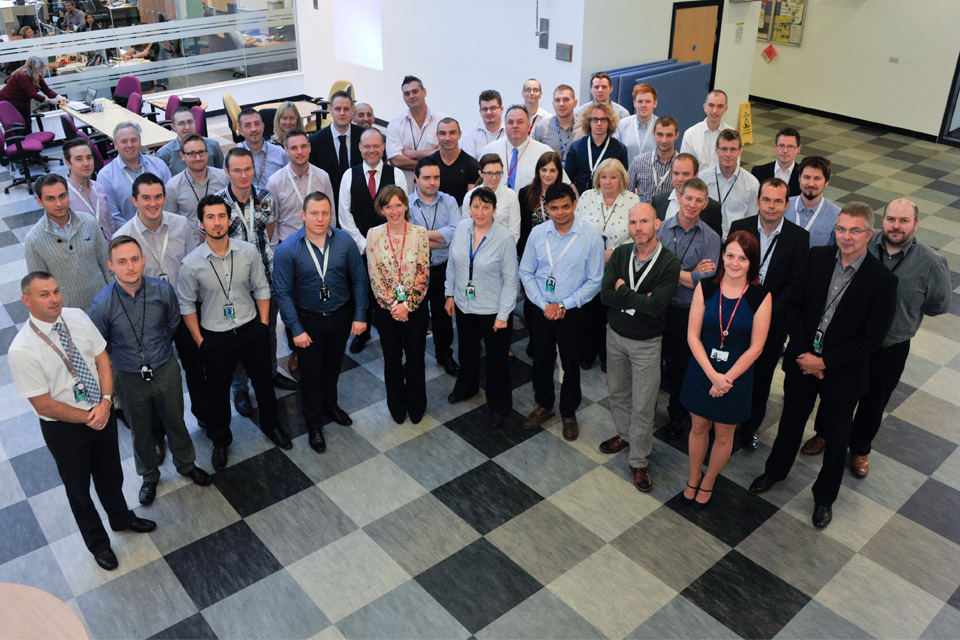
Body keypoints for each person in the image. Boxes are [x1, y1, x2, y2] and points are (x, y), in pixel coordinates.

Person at [749, 202, 898, 530]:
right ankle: (775, 471)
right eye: (842, 229)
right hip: (803, 361)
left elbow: (872, 339)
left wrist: (824, 362)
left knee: (836, 435)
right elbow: (794, 309)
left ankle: (824, 498)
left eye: (855, 230)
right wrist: (804, 354)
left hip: (842, 373)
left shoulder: (882, 281)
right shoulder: (816, 258)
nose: (846, 236)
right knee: (790, 422)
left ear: (869, 234)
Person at [9, 272, 156, 571]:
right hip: (64, 427)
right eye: (44, 294)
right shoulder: (22, 349)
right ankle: (98, 544)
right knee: (78, 488)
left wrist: (105, 403)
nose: (54, 299)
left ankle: (121, 518)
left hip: (99, 410)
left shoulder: (76, 316)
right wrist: (90, 416)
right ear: (26, 300)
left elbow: (102, 358)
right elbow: (43, 403)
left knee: (111, 473)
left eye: (56, 290)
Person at [799, 198, 950, 477]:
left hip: (889, 346)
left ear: (916, 224)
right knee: (836, 393)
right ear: (881, 221)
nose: (896, 226)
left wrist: (906, 315)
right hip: (849, 341)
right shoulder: (861, 239)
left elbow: (939, 304)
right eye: (891, 219)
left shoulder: (930, 262)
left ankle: (859, 448)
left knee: (875, 400)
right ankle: (824, 434)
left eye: (904, 221)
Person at [89, 236, 212, 505]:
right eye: (122, 262)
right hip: (128, 375)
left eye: (135, 259)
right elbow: (100, 346)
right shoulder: (101, 305)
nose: (130, 267)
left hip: (165, 367)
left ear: (143, 260)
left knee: (176, 420)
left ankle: (187, 464)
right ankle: (148, 476)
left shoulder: (163, 291)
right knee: (140, 429)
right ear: (111, 265)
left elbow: (171, 325)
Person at [178, 195, 293, 472]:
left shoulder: (247, 252)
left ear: (229, 220)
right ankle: (220, 441)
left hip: (251, 327)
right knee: (217, 393)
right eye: (210, 217)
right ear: (202, 223)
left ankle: (271, 425)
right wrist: (199, 340)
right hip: (215, 336)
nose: (217, 223)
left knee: (264, 383)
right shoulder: (191, 263)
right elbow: (186, 304)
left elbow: (262, 288)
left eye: (221, 216)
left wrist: (264, 325)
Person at [681, 231, 772, 508]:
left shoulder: (760, 295)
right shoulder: (706, 287)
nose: (734, 263)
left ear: (751, 262)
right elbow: (692, 336)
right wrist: (712, 376)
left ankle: (709, 480)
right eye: (730, 255)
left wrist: (726, 379)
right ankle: (694, 476)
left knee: (724, 432)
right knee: (698, 426)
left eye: (742, 258)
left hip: (737, 376)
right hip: (702, 370)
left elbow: (756, 348)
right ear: (722, 256)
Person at [273, 192, 369, 452]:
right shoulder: (286, 249)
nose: (320, 218)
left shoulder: (344, 242)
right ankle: (314, 424)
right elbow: (281, 292)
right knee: (311, 374)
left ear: (331, 215)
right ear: (303, 215)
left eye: (325, 213)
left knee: (333, 367)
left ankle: (331, 406)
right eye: (314, 213)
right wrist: (296, 329)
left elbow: (360, 278)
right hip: (308, 321)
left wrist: (360, 315)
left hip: (340, 316)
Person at [114, 173, 205, 437]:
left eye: (158, 197)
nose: (153, 203)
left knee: (197, 368)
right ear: (134, 200)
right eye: (146, 198)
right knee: (152, 377)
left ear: (165, 197)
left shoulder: (180, 225)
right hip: (148, 318)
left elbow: (192, 263)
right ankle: (157, 434)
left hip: (185, 309)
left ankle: (203, 415)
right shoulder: (123, 237)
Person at [599, 203, 681, 491]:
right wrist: (636, 297)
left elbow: (657, 307)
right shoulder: (621, 253)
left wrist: (623, 290)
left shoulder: (669, 263)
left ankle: (639, 461)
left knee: (644, 404)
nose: (638, 228)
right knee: (617, 393)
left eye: (644, 222)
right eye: (633, 223)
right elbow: (604, 295)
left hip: (646, 343)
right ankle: (624, 434)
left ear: (657, 223)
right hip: (615, 335)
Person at [519, 183, 604, 441]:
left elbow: (595, 280)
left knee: (570, 363)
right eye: (554, 208)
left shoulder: (590, 237)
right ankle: (544, 404)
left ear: (574, 204)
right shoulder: (537, 234)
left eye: (565, 206)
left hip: (573, 312)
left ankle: (568, 412)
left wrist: (564, 305)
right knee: (542, 360)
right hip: (541, 309)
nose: (560, 212)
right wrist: (544, 304)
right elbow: (526, 272)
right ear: (546, 208)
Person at [729, 178, 809, 449]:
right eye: (766, 200)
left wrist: (763, 312)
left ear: (787, 204)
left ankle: (750, 427)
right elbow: (728, 268)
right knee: (730, 369)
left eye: (778, 201)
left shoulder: (799, 238)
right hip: (734, 316)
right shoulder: (740, 228)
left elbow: (796, 285)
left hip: (773, 322)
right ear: (758, 201)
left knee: (761, 378)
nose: (771, 206)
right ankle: (723, 419)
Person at [217, 147, 299, 411]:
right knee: (236, 339)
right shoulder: (217, 205)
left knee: (267, 333)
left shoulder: (265, 198)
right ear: (227, 172)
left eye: (248, 169)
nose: (243, 175)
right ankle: (240, 389)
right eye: (237, 170)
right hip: (233, 285)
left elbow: (269, 234)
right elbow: (208, 245)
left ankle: (272, 371)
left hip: (265, 279)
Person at [445, 187, 519, 428]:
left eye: (486, 207)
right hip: (465, 305)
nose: (480, 212)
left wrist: (503, 314)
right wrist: (449, 294)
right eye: (476, 206)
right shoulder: (463, 228)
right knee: (466, 351)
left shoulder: (504, 237)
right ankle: (467, 386)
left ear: (494, 210)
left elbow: (511, 280)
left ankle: (499, 406)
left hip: (492, 310)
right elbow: (453, 263)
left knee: (497, 361)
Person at [658, 177, 722, 439]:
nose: (692, 204)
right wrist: (686, 273)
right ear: (679, 197)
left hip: (687, 312)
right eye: (688, 198)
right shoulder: (660, 229)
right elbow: (650, 271)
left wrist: (667, 271)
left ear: (705, 204)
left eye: (699, 200)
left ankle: (677, 414)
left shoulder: (712, 238)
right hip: (658, 307)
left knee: (681, 366)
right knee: (652, 363)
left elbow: (704, 282)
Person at [339, 128, 408, 353]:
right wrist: (364, 245)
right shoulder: (349, 175)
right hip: (360, 248)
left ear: (383, 147)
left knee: (389, 287)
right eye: (366, 146)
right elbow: (344, 215)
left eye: (376, 145)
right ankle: (363, 331)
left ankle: (389, 328)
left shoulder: (396, 174)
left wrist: (385, 244)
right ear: (359, 148)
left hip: (390, 248)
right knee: (362, 289)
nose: (371, 150)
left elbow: (401, 211)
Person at [365, 186, 431, 424]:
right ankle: (396, 404)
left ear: (406, 205)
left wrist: (408, 306)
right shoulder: (373, 234)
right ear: (381, 209)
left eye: (398, 205)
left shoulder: (420, 233)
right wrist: (395, 306)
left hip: (416, 308)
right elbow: (374, 276)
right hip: (386, 310)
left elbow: (423, 274)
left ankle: (417, 403)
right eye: (388, 206)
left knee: (415, 358)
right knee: (392, 359)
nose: (394, 211)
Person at [575, 158, 640, 371]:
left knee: (609, 315)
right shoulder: (586, 197)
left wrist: (613, 253)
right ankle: (586, 353)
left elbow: (638, 236)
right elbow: (576, 230)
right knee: (586, 313)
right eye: (604, 177)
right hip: (587, 268)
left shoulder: (633, 201)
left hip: (617, 268)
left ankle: (607, 357)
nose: (608, 182)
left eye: (613, 177)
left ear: (622, 179)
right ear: (597, 179)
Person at [24, 174, 112, 311]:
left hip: (104, 306)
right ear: (39, 201)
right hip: (67, 314)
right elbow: (40, 288)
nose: (58, 203)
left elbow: (107, 266)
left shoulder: (89, 222)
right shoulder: (33, 240)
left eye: (62, 196)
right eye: (50, 199)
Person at [409, 156, 462, 376]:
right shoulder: (405, 203)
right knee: (416, 320)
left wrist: (420, 236)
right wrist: (440, 238)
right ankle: (414, 359)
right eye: (427, 177)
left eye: (436, 177)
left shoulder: (449, 201)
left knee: (443, 318)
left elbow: (456, 231)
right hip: (415, 272)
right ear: (416, 179)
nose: (432, 182)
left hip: (442, 267)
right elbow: (406, 238)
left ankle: (444, 355)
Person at [266, 127, 335, 248]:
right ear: (286, 150)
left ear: (309, 148)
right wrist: (275, 253)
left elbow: (331, 214)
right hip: (289, 246)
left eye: (303, 146)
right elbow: (273, 222)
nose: (299, 152)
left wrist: (331, 243)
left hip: (319, 243)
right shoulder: (274, 183)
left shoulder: (323, 177)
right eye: (294, 148)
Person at [99, 122, 172, 230]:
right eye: (124, 141)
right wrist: (136, 234)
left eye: (134, 140)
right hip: (129, 238)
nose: (130, 145)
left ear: (140, 141)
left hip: (163, 230)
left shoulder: (159, 166)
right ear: (115, 144)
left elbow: (170, 202)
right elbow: (113, 217)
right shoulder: (105, 176)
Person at [483, 105, 564, 192]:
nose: (515, 126)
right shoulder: (490, 149)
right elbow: (479, 181)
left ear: (528, 126)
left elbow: (563, 184)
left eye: (520, 122)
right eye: (510, 122)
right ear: (505, 126)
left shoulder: (544, 152)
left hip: (531, 204)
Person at [386, 75, 446, 187]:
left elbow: (445, 153)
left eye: (415, 91)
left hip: (436, 187)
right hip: (405, 189)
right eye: (407, 94)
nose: (411, 96)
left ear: (424, 92)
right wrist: (429, 163)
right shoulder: (396, 123)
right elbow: (396, 160)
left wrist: (413, 154)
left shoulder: (441, 120)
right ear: (403, 98)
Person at [700, 130, 760, 238]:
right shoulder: (703, 179)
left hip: (736, 241)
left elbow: (752, 221)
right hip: (706, 239)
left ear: (740, 150)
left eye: (733, 149)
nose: (728, 154)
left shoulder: (752, 184)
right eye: (724, 149)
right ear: (716, 149)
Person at [308, 90, 362, 209]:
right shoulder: (315, 141)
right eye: (337, 109)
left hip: (359, 202)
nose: (342, 113)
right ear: (330, 110)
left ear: (352, 111)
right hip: (329, 203)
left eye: (346, 109)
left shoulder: (363, 136)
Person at [164, 133, 230, 232]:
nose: (198, 158)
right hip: (192, 244)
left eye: (201, 152)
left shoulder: (224, 178)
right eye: (192, 154)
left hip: (223, 239)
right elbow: (170, 222)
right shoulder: (173, 186)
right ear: (182, 156)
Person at [651, 153, 722, 238]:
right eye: (676, 173)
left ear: (696, 175)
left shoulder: (712, 208)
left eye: (685, 174)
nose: (680, 179)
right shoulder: (658, 202)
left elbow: (715, 243)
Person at [565, 101, 629, 196]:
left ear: (609, 122)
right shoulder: (576, 147)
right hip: (580, 199)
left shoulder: (619, 149)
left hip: (609, 200)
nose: (599, 123)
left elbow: (622, 181)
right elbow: (568, 180)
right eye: (595, 119)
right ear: (589, 122)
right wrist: (578, 201)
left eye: (603, 119)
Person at [463, 153, 521, 243]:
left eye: (498, 173)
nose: (494, 178)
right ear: (480, 173)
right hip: (476, 248)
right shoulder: (470, 196)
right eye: (489, 173)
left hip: (503, 247)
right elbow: (466, 229)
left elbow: (514, 232)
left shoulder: (511, 196)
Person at [786, 156, 841, 248]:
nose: (811, 184)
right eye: (806, 177)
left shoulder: (837, 216)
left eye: (817, 178)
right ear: (799, 178)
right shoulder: (784, 207)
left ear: (826, 181)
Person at [63, 138, 113, 238]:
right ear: (68, 163)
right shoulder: (63, 195)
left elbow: (110, 224)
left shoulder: (99, 187)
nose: (86, 163)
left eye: (89, 157)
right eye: (79, 159)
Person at [518, 151, 564, 257]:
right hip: (531, 250)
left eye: (552, 170)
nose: (547, 175)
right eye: (544, 170)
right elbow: (523, 229)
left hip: (558, 250)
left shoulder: (564, 194)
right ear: (538, 171)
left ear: (558, 173)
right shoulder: (525, 193)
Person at [156, 107, 225, 176]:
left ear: (195, 123)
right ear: (173, 127)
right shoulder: (164, 154)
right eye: (181, 123)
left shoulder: (212, 145)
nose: (187, 127)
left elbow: (222, 174)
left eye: (190, 122)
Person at [628, 116, 679, 204]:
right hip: (642, 215)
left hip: (670, 216)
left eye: (669, 135)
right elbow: (627, 194)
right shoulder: (639, 162)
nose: (664, 140)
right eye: (660, 134)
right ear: (653, 133)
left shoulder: (683, 165)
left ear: (676, 135)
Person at [235, 108, 289, 190]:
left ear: (263, 127)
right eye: (248, 125)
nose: (254, 129)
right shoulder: (233, 157)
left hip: (275, 200)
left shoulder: (280, 153)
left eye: (257, 124)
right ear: (240, 131)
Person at [0, 57, 59, 132]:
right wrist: (49, 101)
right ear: (30, 68)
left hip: (23, 102)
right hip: (9, 102)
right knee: (15, 127)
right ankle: (17, 143)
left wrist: (59, 97)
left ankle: (29, 142)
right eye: (37, 69)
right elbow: (32, 94)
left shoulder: (37, 75)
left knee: (27, 124)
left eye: (40, 68)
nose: (40, 71)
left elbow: (46, 90)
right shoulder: (22, 75)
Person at [430, 117, 479, 207]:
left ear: (460, 135)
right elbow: (421, 197)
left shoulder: (472, 165)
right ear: (437, 136)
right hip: (432, 216)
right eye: (443, 133)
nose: (448, 138)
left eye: (452, 133)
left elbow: (471, 201)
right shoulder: (427, 164)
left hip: (462, 216)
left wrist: (455, 214)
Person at [679, 90, 734, 169]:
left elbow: (733, 169)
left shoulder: (733, 136)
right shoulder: (690, 134)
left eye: (720, 106)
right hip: (696, 181)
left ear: (726, 109)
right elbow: (684, 167)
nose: (715, 111)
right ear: (705, 107)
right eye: (711, 105)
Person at [531, 84, 583, 163]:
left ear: (575, 103)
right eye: (557, 100)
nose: (561, 104)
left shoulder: (585, 127)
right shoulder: (541, 128)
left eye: (566, 99)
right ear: (553, 104)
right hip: (549, 174)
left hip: (577, 174)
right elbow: (533, 156)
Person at [615, 84, 659, 165]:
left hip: (653, 176)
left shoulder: (661, 126)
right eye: (640, 101)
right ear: (634, 103)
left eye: (648, 101)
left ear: (655, 103)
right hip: (627, 176)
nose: (643, 105)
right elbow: (614, 155)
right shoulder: (622, 125)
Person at [751, 127, 802, 197]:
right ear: (775, 147)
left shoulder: (803, 175)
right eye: (781, 146)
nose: (785, 151)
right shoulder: (758, 172)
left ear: (798, 149)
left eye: (790, 147)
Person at [461, 89, 504, 160]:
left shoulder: (510, 133)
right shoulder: (470, 135)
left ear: (501, 109)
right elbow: (470, 167)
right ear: (480, 111)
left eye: (493, 108)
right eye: (485, 109)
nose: (489, 112)